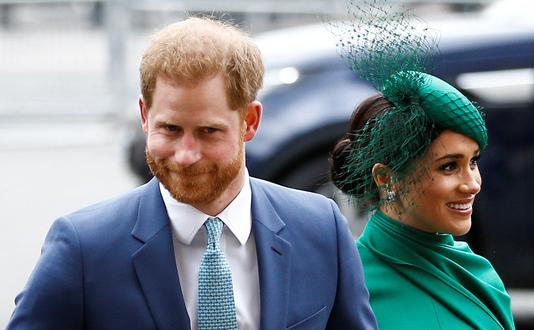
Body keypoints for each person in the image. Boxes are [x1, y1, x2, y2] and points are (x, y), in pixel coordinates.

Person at [7, 17, 377, 330]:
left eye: (208, 131)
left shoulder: (321, 228)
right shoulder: (84, 246)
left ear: (249, 121)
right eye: (169, 129)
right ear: (144, 116)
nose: (185, 155)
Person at [329, 2, 515, 329]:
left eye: (473, 162)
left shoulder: (477, 269)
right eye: (448, 167)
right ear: (386, 177)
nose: (472, 183)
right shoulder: (352, 290)